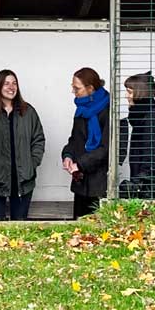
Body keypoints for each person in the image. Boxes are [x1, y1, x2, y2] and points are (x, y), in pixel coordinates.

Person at [0, 69, 45, 221]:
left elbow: (38, 139)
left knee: (20, 226)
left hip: (23, 180)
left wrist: (31, 164)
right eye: (6, 83)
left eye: (14, 83)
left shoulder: (28, 112)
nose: (11, 87)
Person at [61, 66, 110, 219]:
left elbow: (106, 148)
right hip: (81, 182)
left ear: (90, 88)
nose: (73, 92)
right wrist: (68, 156)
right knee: (78, 226)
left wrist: (80, 164)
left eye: (77, 88)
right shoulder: (82, 109)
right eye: (73, 87)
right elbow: (74, 139)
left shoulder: (109, 110)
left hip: (100, 183)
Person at [119, 71, 155, 199]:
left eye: (129, 92)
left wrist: (138, 182)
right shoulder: (142, 116)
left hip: (154, 188)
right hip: (148, 185)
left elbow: (152, 156)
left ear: (140, 93)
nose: (126, 96)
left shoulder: (151, 118)